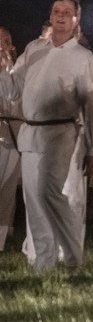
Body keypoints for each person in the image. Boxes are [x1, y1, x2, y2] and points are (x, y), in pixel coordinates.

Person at [0, 0, 93, 271]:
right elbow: (11, 90)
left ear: (76, 19)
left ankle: (70, 259)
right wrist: (2, 66)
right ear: (50, 14)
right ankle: (42, 264)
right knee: (33, 199)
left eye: (67, 12)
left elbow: (92, 106)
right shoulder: (34, 49)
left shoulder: (83, 58)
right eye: (57, 10)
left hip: (62, 135)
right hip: (31, 135)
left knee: (56, 198)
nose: (60, 16)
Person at [0, 28, 21, 251]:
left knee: (6, 189)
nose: (2, 44)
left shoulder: (17, 71)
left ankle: (1, 240)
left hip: (12, 133)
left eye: (6, 40)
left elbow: (17, 99)